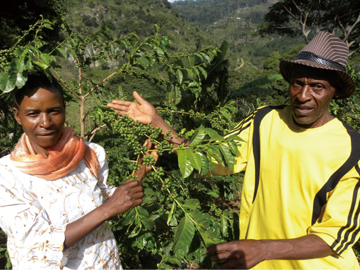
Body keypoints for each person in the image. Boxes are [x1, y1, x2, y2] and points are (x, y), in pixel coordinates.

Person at [107, 31, 360, 269]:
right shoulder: (264, 121)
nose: (303, 95)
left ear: (335, 92)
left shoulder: (352, 149)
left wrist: (262, 249)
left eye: (317, 86)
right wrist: (159, 124)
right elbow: (210, 159)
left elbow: (334, 236)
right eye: (297, 84)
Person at [0, 71, 158, 269]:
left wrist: (141, 169)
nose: (46, 123)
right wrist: (108, 210)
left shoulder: (90, 153)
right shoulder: (6, 174)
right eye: (33, 114)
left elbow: (109, 198)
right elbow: (36, 245)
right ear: (17, 116)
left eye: (54, 111)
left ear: (65, 110)